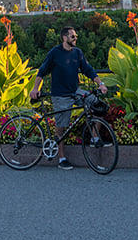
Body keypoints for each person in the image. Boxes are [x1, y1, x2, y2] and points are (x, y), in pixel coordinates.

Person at [30, 26, 108, 170]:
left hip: (75, 91)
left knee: (99, 106)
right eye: (73, 36)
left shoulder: (77, 52)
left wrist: (101, 84)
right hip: (60, 96)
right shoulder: (55, 53)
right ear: (65, 38)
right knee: (62, 127)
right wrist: (35, 88)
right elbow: (42, 71)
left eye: (76, 36)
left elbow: (88, 69)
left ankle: (94, 137)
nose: (75, 38)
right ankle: (61, 158)